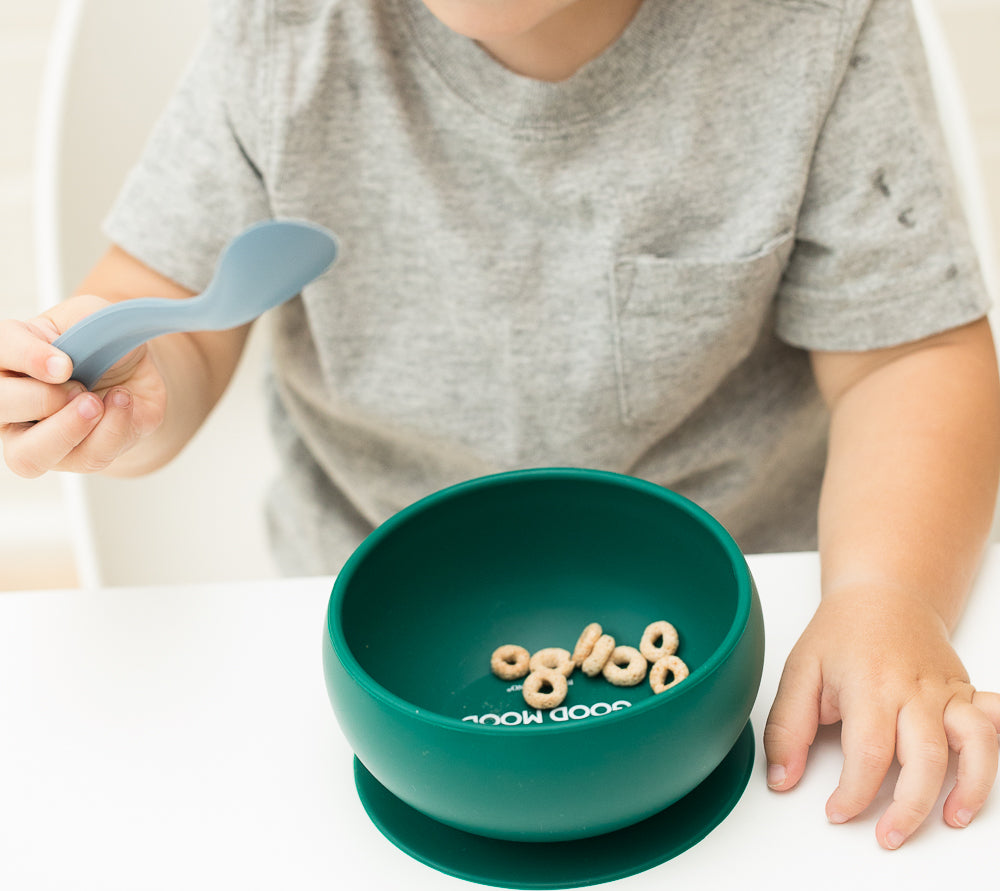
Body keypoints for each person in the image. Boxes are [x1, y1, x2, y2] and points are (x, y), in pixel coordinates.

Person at [2, 0, 999, 851]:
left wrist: (886, 596)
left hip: (755, 629)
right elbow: (174, 321)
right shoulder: (282, 33)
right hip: (366, 641)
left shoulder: (812, 27)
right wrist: (115, 390)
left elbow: (905, 358)